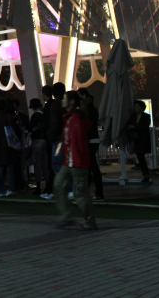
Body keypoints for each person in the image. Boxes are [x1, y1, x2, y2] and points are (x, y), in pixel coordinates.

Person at [54, 90, 97, 231]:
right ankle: (67, 216)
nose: (62, 101)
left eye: (65, 98)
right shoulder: (71, 118)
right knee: (59, 184)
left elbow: (77, 143)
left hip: (77, 162)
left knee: (80, 193)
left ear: (72, 102)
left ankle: (89, 222)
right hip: (71, 161)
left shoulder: (75, 119)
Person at [79, 88, 104, 200]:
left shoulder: (88, 109)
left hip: (90, 140)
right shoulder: (91, 108)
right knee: (91, 167)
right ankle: (96, 193)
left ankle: (96, 193)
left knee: (91, 167)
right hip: (93, 139)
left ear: (83, 96)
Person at [0, 99, 19, 194]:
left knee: (0, 167)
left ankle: (0, 188)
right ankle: (12, 188)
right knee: (9, 168)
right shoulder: (8, 117)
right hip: (9, 145)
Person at [125, 100, 152, 183]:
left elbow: (144, 127)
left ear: (142, 107)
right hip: (136, 139)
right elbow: (128, 124)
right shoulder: (133, 116)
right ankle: (146, 174)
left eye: (137, 106)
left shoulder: (146, 116)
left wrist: (134, 127)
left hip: (143, 139)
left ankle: (146, 174)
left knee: (140, 156)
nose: (136, 108)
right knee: (140, 157)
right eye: (135, 106)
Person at [28, 98, 49, 197]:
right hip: (45, 140)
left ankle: (38, 187)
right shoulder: (45, 115)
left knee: (37, 164)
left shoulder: (35, 116)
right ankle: (47, 186)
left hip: (37, 141)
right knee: (45, 164)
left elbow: (30, 128)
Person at [48, 83, 66, 184]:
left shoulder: (55, 106)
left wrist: (51, 136)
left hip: (58, 140)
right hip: (67, 138)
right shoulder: (66, 104)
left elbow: (55, 124)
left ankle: (65, 187)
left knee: (56, 163)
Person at [40, 85, 54, 199]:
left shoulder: (48, 107)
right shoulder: (55, 105)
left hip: (50, 139)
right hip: (54, 138)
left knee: (51, 165)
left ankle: (50, 189)